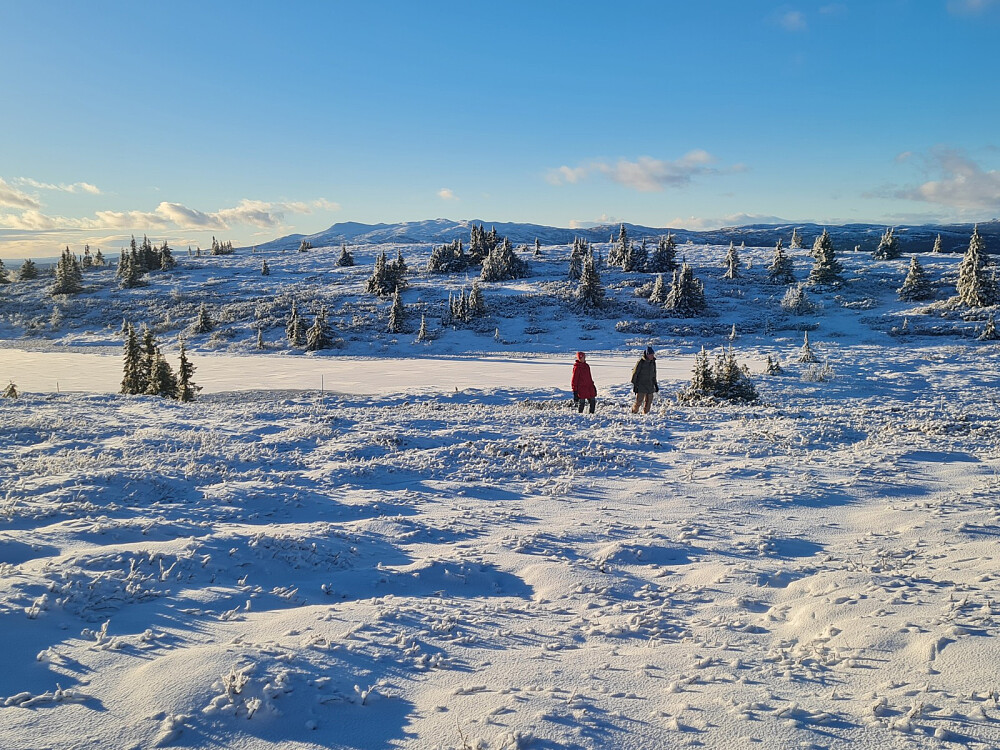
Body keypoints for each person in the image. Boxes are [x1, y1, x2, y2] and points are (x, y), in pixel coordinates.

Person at [631, 345, 658, 414]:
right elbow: (635, 373)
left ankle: (645, 414)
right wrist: (634, 384)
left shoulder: (653, 362)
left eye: (653, 354)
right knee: (639, 401)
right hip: (641, 385)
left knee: (649, 402)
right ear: (647, 354)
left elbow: (654, 373)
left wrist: (655, 384)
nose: (652, 356)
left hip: (650, 385)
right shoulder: (641, 362)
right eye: (651, 355)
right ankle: (634, 412)